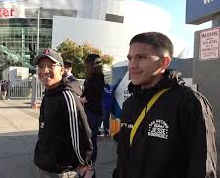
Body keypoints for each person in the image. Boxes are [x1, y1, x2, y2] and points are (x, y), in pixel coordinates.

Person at [113, 32, 217, 178]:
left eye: (141, 57)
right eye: (130, 58)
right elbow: (123, 157)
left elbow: (202, 166)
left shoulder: (189, 102)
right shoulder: (130, 103)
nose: (132, 65)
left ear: (164, 62)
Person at [33, 48, 93, 178]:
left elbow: (81, 134)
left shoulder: (67, 96)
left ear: (61, 70)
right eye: (41, 66)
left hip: (63, 170)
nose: (44, 70)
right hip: (45, 164)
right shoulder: (49, 93)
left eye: (50, 66)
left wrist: (82, 162)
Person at [81, 54, 105, 173]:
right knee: (87, 138)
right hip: (89, 111)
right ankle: (87, 161)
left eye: (87, 63)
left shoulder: (98, 77)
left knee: (91, 139)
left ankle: (90, 164)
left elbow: (89, 97)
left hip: (94, 112)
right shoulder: (91, 77)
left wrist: (79, 100)